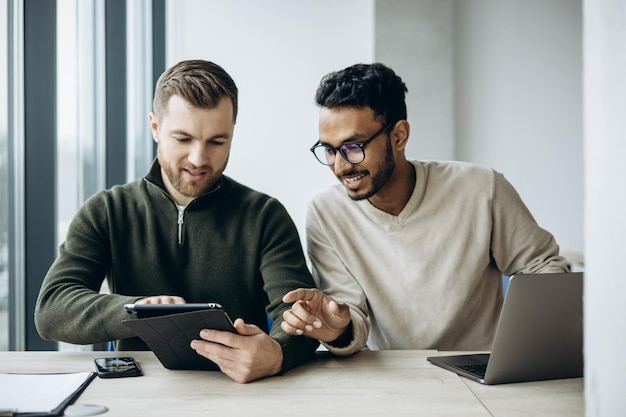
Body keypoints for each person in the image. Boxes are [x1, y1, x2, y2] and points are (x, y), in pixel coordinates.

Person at [35, 59, 319, 383]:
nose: (199, 159)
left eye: (217, 141)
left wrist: (277, 353)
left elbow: (301, 316)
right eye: (183, 139)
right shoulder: (107, 210)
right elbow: (52, 309)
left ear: (232, 132)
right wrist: (140, 310)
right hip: (138, 393)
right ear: (155, 127)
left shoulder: (265, 216)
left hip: (242, 393)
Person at [280, 62, 569, 356]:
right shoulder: (325, 213)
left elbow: (543, 267)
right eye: (329, 150)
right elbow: (347, 313)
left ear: (399, 136)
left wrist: (521, 346)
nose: (340, 166)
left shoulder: (481, 188)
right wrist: (336, 328)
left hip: (483, 369)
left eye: (353, 147)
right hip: (393, 376)